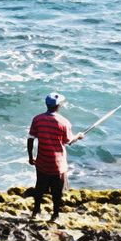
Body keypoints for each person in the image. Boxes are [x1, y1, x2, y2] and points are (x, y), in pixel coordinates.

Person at [27, 92, 84, 222]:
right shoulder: (64, 123)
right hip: (58, 165)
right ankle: (55, 215)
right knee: (57, 192)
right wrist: (78, 136)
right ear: (59, 106)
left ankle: (36, 211)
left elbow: (30, 139)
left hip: (42, 161)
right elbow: (68, 141)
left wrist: (31, 157)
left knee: (39, 188)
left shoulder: (37, 119)